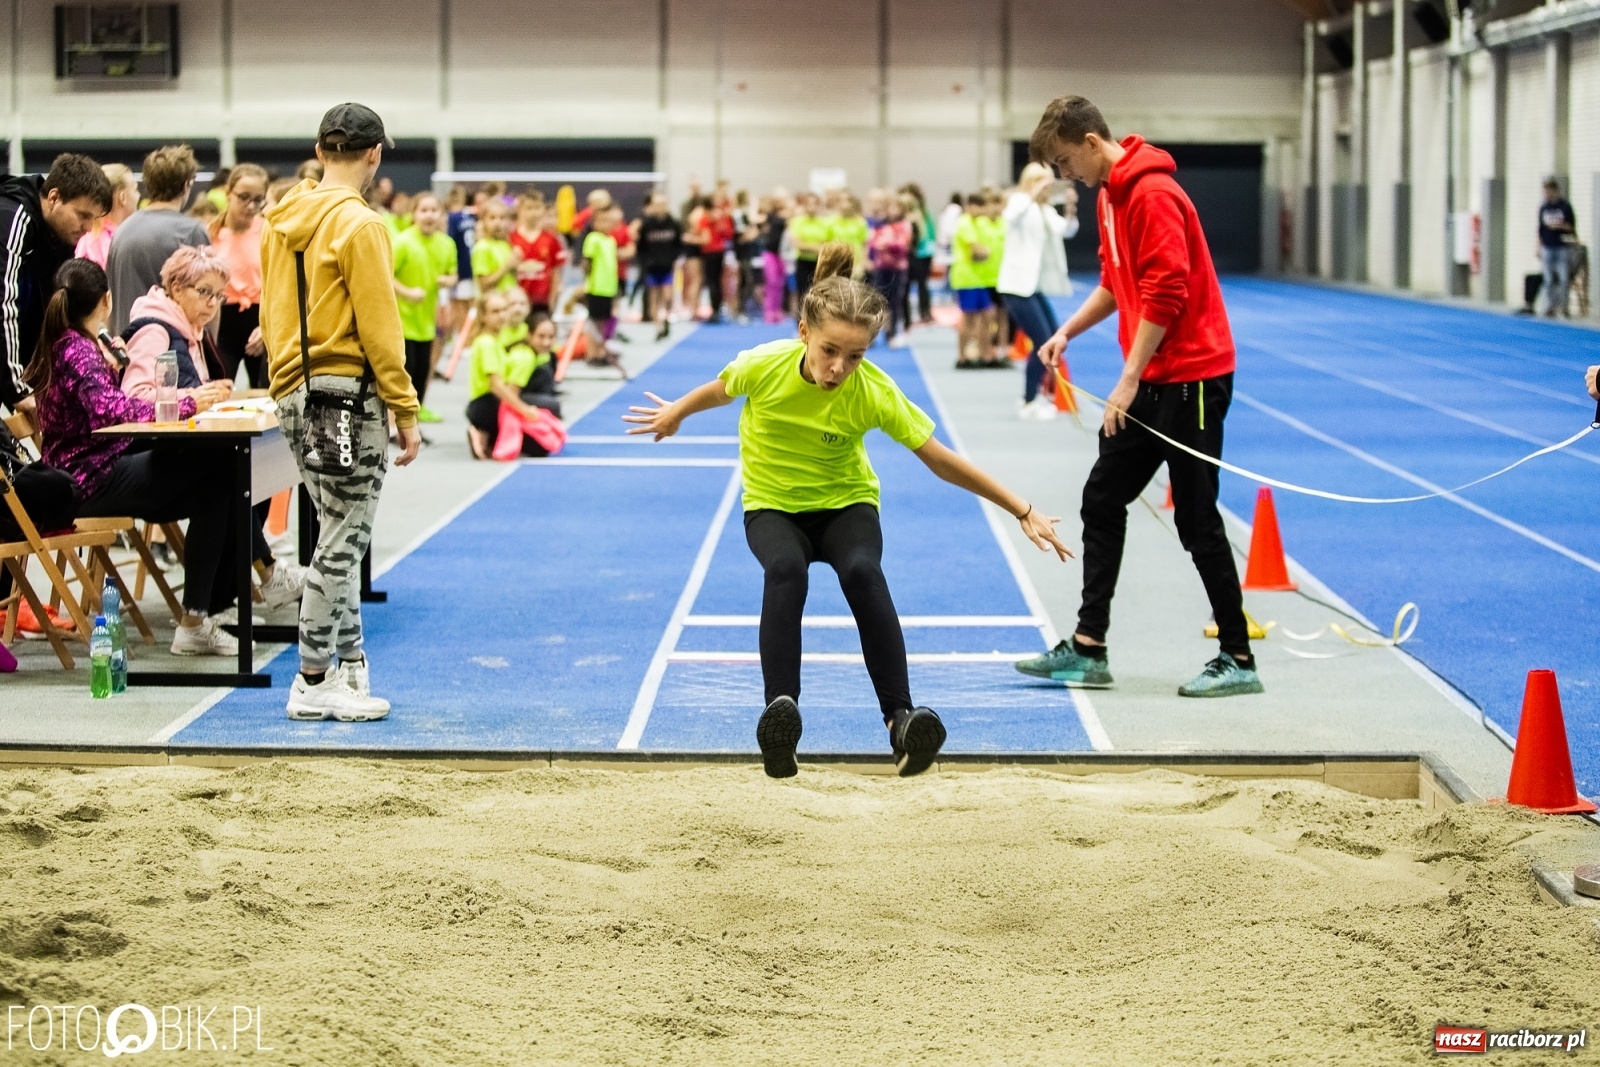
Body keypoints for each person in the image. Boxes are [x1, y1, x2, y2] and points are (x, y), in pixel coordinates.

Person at [623, 242, 1072, 778]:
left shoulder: (873, 391)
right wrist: (675, 412)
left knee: (862, 571)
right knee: (785, 570)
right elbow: (720, 391)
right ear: (804, 332)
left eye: (855, 356)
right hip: (773, 507)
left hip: (846, 505)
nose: (839, 368)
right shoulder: (764, 365)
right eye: (830, 351)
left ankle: (901, 723)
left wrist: (1021, 508)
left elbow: (939, 459)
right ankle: (780, 719)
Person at [1018, 94, 1262, 699]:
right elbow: (1116, 282)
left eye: (1065, 160)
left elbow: (1166, 292)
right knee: (1103, 498)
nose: (1063, 174)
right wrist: (1067, 331)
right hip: (1153, 377)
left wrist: (1126, 379)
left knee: (1197, 518)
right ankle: (1088, 647)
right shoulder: (1108, 196)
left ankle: (1238, 657)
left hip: (1193, 378)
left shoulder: (1151, 194)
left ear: (1091, 143)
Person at [259, 102, 422, 722]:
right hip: (347, 394)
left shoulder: (280, 220)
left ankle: (351, 665)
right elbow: (381, 328)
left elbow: (271, 314)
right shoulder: (361, 225)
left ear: (319, 151)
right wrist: (405, 408)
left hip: (294, 391)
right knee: (342, 540)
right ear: (374, 155)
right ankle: (311, 679)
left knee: (338, 535)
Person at [26, 258, 241, 654]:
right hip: (86, 480)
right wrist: (189, 402)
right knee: (218, 472)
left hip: (92, 470)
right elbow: (110, 411)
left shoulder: (75, 344)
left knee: (215, 488)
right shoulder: (77, 351)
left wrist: (112, 368)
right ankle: (205, 614)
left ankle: (200, 616)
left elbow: (102, 407)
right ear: (106, 301)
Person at [0, 153, 112, 412]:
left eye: (93, 219)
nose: (88, 227)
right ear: (53, 198)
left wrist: (100, 347)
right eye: (82, 215)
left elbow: (63, 308)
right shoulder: (13, 219)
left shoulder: (60, 235)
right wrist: (17, 388)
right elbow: (4, 303)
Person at [999, 162, 1079, 420]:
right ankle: (1028, 400)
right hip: (1016, 286)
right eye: (1040, 182)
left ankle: (1040, 394)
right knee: (1042, 342)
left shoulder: (1045, 210)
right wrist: (1033, 193)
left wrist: (1070, 209)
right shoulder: (1019, 202)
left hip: (1033, 286)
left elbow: (1067, 230)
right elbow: (1011, 217)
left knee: (1054, 336)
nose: (1046, 187)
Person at [107, 145, 211, 335]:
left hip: (124, 343)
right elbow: (206, 301)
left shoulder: (121, 232)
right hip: (170, 346)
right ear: (186, 185)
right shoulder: (191, 231)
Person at [392, 190, 458, 423]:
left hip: (427, 322)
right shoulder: (402, 242)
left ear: (441, 214)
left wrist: (447, 281)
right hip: (402, 322)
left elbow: (453, 275)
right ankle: (396, 425)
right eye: (423, 210)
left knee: (421, 375)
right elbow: (385, 275)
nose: (429, 215)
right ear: (414, 214)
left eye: (434, 210)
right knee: (405, 376)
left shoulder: (446, 244)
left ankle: (412, 426)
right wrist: (407, 292)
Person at [209, 163, 271, 387]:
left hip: (259, 320)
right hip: (222, 322)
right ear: (228, 193)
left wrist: (266, 327)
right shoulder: (211, 233)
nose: (250, 206)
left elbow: (280, 285)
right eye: (243, 197)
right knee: (219, 389)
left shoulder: (268, 231)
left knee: (266, 393)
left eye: (258, 199)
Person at [950, 193, 996, 368]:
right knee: (968, 318)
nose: (982, 211)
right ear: (969, 206)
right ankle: (962, 357)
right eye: (979, 207)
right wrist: (985, 252)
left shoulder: (978, 223)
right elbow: (978, 251)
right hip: (966, 278)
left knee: (986, 316)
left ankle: (985, 355)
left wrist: (985, 252)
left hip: (979, 278)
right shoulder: (964, 223)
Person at [581, 203, 627, 374]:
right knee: (594, 322)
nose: (606, 224)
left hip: (608, 287)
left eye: (608, 220)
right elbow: (587, 262)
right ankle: (591, 353)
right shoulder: (593, 239)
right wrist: (588, 282)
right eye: (602, 221)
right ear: (594, 223)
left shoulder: (611, 240)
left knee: (603, 322)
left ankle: (600, 351)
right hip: (596, 287)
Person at [633, 192, 682, 341]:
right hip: (651, 267)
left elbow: (679, 244)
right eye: (657, 205)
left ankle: (666, 318)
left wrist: (675, 259)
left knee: (667, 297)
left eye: (663, 204)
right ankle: (658, 327)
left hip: (667, 266)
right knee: (654, 298)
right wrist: (645, 261)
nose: (661, 208)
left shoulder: (674, 224)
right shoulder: (646, 225)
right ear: (653, 207)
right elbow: (640, 246)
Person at [866, 197, 912, 346]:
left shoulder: (904, 226)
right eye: (890, 208)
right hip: (880, 267)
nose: (892, 211)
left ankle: (891, 333)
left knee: (894, 301)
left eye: (896, 208)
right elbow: (873, 242)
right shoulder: (880, 225)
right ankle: (873, 334)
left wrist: (887, 245)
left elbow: (902, 245)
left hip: (897, 268)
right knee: (877, 301)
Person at [74, 164, 138, 268]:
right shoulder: (125, 243)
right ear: (122, 197)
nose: (138, 195)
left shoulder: (84, 240)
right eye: (135, 189)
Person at [1538, 179, 1577, 318]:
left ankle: (1564, 307)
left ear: (1555, 191)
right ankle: (1550, 306)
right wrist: (1538, 246)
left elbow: (1571, 227)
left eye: (1548, 191)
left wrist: (1559, 225)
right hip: (1547, 246)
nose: (1546, 194)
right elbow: (1540, 229)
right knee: (1548, 280)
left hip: (1562, 247)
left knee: (1563, 279)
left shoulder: (1565, 207)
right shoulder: (1544, 207)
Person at [899, 183, 937, 326]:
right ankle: (908, 317)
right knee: (909, 286)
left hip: (922, 253)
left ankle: (925, 313)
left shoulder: (921, 214)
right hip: (914, 253)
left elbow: (928, 233)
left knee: (922, 284)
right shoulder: (908, 217)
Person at [696, 195, 737, 323]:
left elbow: (706, 239)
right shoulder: (722, 217)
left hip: (710, 252)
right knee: (718, 281)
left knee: (712, 281)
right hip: (720, 250)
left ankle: (714, 310)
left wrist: (691, 239)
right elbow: (729, 233)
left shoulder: (705, 218)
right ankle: (718, 308)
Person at [471, 198, 520, 297]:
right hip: (492, 303)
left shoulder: (506, 245)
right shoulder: (482, 247)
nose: (498, 223)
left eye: (502, 218)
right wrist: (507, 266)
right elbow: (484, 285)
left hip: (508, 300)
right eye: (492, 218)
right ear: (483, 221)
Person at [789, 192, 829, 305]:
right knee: (803, 294)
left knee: (819, 295)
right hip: (802, 262)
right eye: (809, 204)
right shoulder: (797, 222)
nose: (812, 207)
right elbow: (798, 244)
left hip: (820, 262)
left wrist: (807, 245)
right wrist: (817, 247)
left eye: (815, 204)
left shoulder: (825, 223)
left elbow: (828, 245)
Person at [760, 195, 788, 324]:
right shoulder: (770, 216)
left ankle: (777, 311)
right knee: (771, 283)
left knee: (779, 284)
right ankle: (769, 311)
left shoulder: (787, 215)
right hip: (770, 253)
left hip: (781, 254)